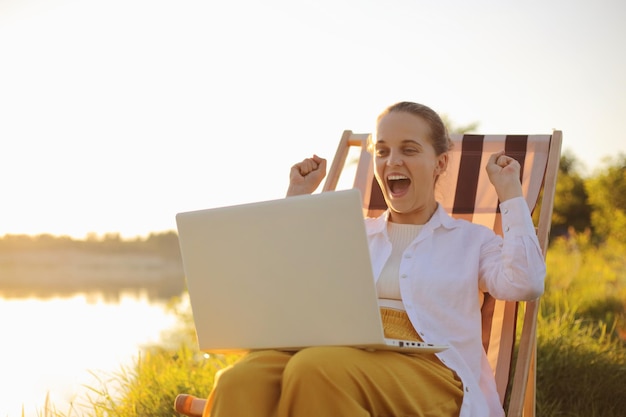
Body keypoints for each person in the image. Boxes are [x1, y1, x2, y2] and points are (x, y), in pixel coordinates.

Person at [174, 101, 546, 417]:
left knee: (316, 368)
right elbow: (287, 278)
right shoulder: (350, 230)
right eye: (382, 151)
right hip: (339, 352)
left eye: (409, 149)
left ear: (440, 163)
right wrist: (297, 197)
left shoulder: (472, 240)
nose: (391, 161)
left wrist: (510, 193)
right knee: (240, 379)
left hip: (431, 372)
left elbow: (525, 282)